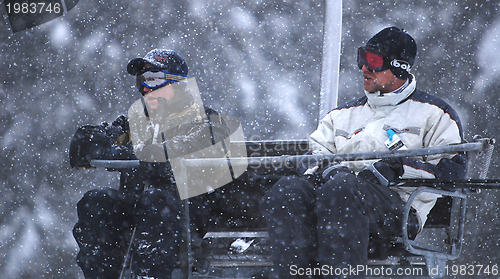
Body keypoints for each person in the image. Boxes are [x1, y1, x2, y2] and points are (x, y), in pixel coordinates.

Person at [260, 27, 467, 278]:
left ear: (399, 67)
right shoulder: (342, 115)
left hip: (396, 212)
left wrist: (396, 168)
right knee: (288, 190)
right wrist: (327, 170)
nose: (363, 68)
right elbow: (314, 155)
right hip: (335, 208)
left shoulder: (433, 114)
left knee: (343, 189)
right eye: (362, 58)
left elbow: (451, 170)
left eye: (373, 61)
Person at [70, 49, 229, 279]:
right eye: (141, 81)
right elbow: (84, 143)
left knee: (156, 201)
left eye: (154, 80)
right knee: (98, 201)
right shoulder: (135, 124)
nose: (145, 89)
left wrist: (135, 155)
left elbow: (176, 156)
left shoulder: (206, 121)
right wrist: (116, 150)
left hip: (186, 218)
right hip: (137, 212)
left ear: (178, 84)